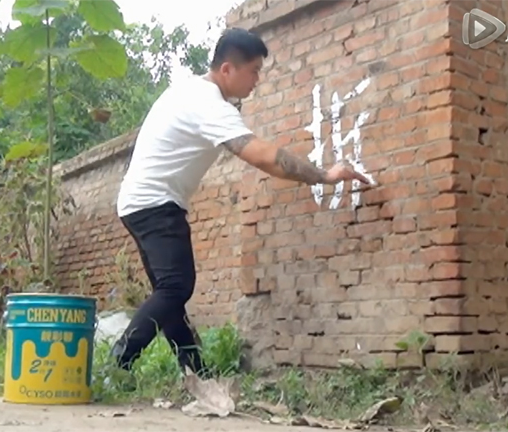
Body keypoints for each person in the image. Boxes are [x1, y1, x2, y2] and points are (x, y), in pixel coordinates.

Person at [111, 27, 374, 377]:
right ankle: (119, 361)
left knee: (169, 291)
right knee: (175, 287)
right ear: (227, 69)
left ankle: (196, 371)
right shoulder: (208, 103)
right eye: (254, 71)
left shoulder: (188, 90)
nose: (257, 80)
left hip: (138, 202)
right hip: (156, 204)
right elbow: (264, 157)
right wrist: (325, 176)